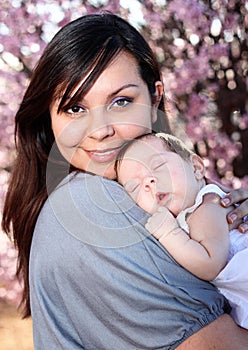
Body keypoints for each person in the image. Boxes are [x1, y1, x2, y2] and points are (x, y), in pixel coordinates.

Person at [2, 12, 248, 349]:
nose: (100, 131)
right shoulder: (89, 203)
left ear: (155, 101)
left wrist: (230, 233)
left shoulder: (157, 200)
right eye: (75, 108)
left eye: (121, 102)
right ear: (50, 116)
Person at [115, 132, 248, 329]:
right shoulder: (191, 213)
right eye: (135, 187)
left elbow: (209, 264)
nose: (148, 181)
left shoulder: (208, 206)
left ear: (196, 167)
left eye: (158, 166)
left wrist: (169, 233)